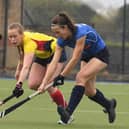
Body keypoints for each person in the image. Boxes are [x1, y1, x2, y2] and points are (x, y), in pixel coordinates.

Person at [38, 12, 117, 124]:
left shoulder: (80, 33)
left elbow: (75, 58)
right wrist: (44, 83)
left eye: (58, 32)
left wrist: (62, 76)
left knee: (80, 77)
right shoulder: (61, 40)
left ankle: (68, 113)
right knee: (89, 91)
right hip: (87, 55)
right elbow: (53, 62)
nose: (57, 35)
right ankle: (109, 105)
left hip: (100, 54)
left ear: (65, 27)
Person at [8, 23, 68, 119]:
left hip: (56, 53)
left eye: (14, 36)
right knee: (33, 84)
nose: (12, 39)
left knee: (47, 84)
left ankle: (66, 111)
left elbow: (27, 67)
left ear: (22, 34)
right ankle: (54, 90)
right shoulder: (20, 42)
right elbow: (22, 57)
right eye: (10, 37)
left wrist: (18, 85)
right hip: (42, 56)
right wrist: (18, 71)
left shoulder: (29, 43)